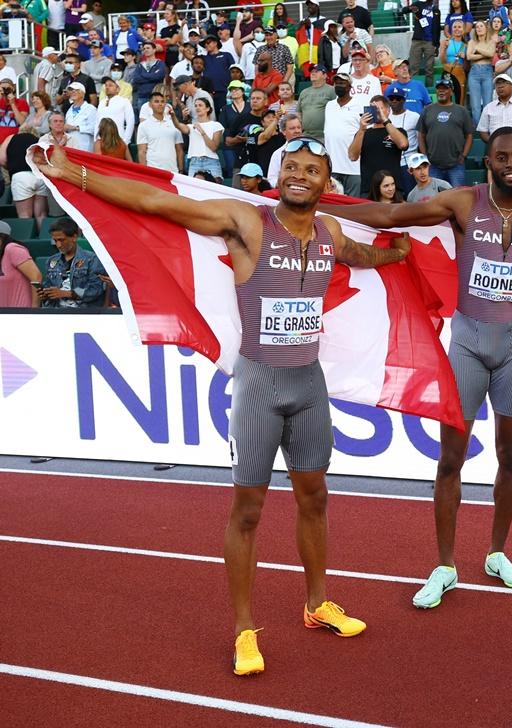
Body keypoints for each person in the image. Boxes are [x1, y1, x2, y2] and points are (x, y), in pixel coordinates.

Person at [36, 132, 411, 674]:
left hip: (309, 386)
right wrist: (75, 176)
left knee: (315, 499)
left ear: (327, 183)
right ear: (279, 175)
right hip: (259, 384)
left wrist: (397, 253)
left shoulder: (329, 231)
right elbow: (159, 203)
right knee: (248, 511)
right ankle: (243, 630)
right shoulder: (246, 221)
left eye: (312, 170)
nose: (300, 176)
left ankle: (317, 603)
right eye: (292, 167)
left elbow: (362, 254)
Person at [321, 127, 512, 609]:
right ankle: (445, 564)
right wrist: (320, 208)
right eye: (502, 158)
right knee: (451, 458)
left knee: (510, 456)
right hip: (469, 343)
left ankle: (498, 553)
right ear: (489, 162)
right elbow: (391, 213)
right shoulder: (462, 203)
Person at [37, 217, 107, 309]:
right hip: (56, 313)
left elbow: (96, 289)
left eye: (61, 240)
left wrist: (66, 293)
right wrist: (45, 294)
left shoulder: (91, 259)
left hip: (83, 313)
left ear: (74, 237)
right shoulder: (51, 261)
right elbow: (49, 286)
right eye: (55, 241)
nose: (58, 245)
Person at [419, 74, 473, 187]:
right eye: (439, 89)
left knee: (458, 196)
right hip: (433, 164)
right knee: (435, 198)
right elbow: (421, 134)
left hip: (456, 164)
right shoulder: (427, 110)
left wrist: (464, 155)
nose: (441, 91)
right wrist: (425, 156)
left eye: (445, 89)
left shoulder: (461, 110)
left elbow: (469, 135)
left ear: (451, 92)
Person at [351, 95, 408, 198]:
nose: (376, 112)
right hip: (369, 189)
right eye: (373, 109)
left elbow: (403, 144)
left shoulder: (398, 131)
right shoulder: (363, 133)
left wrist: (385, 120)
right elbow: (352, 156)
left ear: (388, 110)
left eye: (379, 108)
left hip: (393, 188)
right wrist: (361, 129)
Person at [324, 73, 364, 196]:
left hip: (353, 167)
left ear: (350, 87)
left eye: (342, 83)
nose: (339, 86)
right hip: (332, 166)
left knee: (352, 206)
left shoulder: (360, 105)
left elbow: (365, 132)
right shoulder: (329, 105)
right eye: (337, 83)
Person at [173, 95, 223, 178]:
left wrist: (202, 132)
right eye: (195, 106)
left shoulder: (216, 125)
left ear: (207, 109)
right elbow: (178, 125)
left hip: (211, 161)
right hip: (194, 162)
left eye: (200, 105)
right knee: (193, 190)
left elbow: (214, 147)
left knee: (214, 189)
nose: (197, 108)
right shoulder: (191, 126)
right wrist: (172, 115)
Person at [137, 91, 184, 172]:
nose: (160, 104)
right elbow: (141, 151)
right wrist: (145, 172)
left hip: (173, 170)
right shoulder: (143, 126)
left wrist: (181, 170)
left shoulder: (174, 124)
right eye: (156, 101)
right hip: (152, 171)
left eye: (162, 101)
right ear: (150, 105)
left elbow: (179, 150)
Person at [0, 221, 41, 309]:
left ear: (2, 237)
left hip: (21, 315)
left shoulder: (12, 249)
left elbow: (36, 277)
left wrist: (34, 309)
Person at [401, 0, 441, 86]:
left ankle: (429, 90)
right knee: (413, 67)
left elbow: (437, 28)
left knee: (429, 69)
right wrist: (410, 8)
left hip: (430, 42)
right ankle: (412, 88)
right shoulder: (418, 4)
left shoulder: (436, 10)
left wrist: (437, 45)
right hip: (417, 40)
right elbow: (403, 11)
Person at [466, 19, 498, 124]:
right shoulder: (471, 42)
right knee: (475, 105)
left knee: (487, 103)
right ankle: (477, 129)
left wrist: (477, 49)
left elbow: (491, 54)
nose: (479, 28)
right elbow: (469, 56)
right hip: (474, 72)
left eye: (481, 26)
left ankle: (487, 127)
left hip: (487, 71)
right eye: (477, 27)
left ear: (486, 28)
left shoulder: (491, 41)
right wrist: (485, 54)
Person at [477, 73, 512, 143]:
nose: (500, 86)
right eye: (498, 84)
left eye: (504, 83)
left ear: (511, 86)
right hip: (495, 147)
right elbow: (482, 130)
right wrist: (492, 142)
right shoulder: (488, 107)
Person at [298, 64, 336, 140]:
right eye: (311, 71)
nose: (313, 73)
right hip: (305, 135)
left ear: (325, 75)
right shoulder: (304, 92)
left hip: (324, 136)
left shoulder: (332, 90)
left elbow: (337, 112)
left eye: (316, 71)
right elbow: (298, 112)